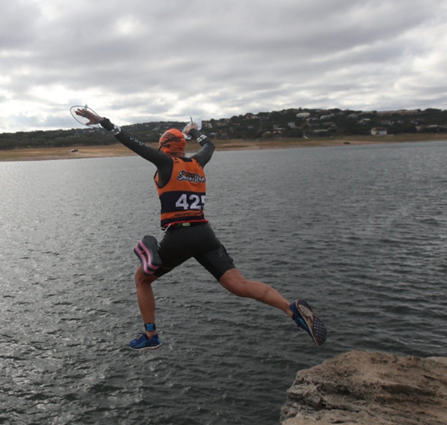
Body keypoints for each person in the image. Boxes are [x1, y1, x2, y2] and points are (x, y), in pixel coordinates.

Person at [74, 107, 326, 350]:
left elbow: (130, 141)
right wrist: (194, 131)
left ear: (165, 146)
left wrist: (101, 121)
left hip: (180, 235)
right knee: (239, 284)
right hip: (205, 234)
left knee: (141, 279)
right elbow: (210, 146)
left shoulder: (164, 163)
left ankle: (150, 334)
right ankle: (290, 309)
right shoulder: (197, 163)